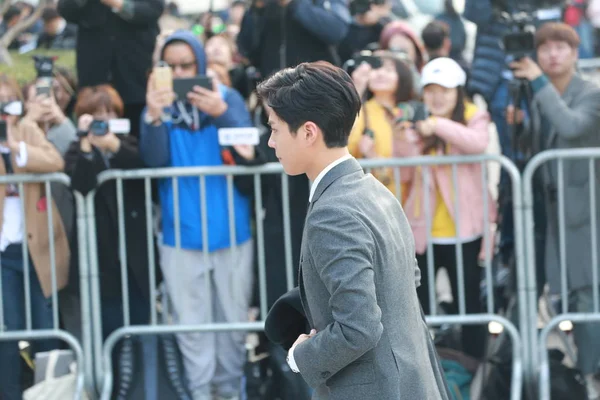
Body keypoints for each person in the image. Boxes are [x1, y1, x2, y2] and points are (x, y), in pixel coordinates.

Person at [258, 61, 450, 399]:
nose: (271, 141)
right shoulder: (373, 189)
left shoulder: (333, 212)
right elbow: (404, 279)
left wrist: (299, 357)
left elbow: (359, 327)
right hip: (410, 382)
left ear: (307, 132)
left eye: (274, 128)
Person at [140, 30, 254, 400]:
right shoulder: (156, 108)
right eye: (169, 66)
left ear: (200, 65)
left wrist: (220, 112)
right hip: (180, 234)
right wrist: (154, 116)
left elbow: (249, 144)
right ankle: (200, 393)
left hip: (232, 230)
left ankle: (231, 390)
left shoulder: (227, 97)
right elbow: (153, 159)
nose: (178, 73)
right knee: (191, 326)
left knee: (233, 322)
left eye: (186, 65)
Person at [508, 22, 600, 399]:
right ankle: (583, 372)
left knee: (587, 295)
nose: (552, 55)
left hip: (588, 214)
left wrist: (539, 85)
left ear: (576, 53)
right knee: (571, 295)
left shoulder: (591, 93)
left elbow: (572, 124)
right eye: (545, 48)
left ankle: (591, 374)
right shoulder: (538, 93)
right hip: (553, 213)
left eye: (561, 47)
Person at [394, 57, 495, 360]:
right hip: (422, 231)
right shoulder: (413, 121)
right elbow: (405, 171)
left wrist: (436, 125)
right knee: (417, 305)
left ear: (458, 92)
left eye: (446, 90)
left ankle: (476, 366)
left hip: (465, 230)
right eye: (431, 90)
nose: (437, 97)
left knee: (470, 305)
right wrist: (406, 135)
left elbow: (477, 143)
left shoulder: (474, 116)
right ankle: (425, 369)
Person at [0, 74, 70, 400]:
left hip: (36, 247)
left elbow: (56, 161)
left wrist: (18, 149)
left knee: (46, 326)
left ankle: (52, 393)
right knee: (7, 331)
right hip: (3, 251)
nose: (4, 113)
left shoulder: (27, 131)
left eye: (8, 105)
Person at [348, 52, 416, 200]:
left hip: (409, 198)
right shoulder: (361, 110)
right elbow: (346, 147)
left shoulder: (409, 112)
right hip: (372, 198)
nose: (380, 74)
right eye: (376, 69)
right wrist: (357, 91)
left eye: (389, 70)